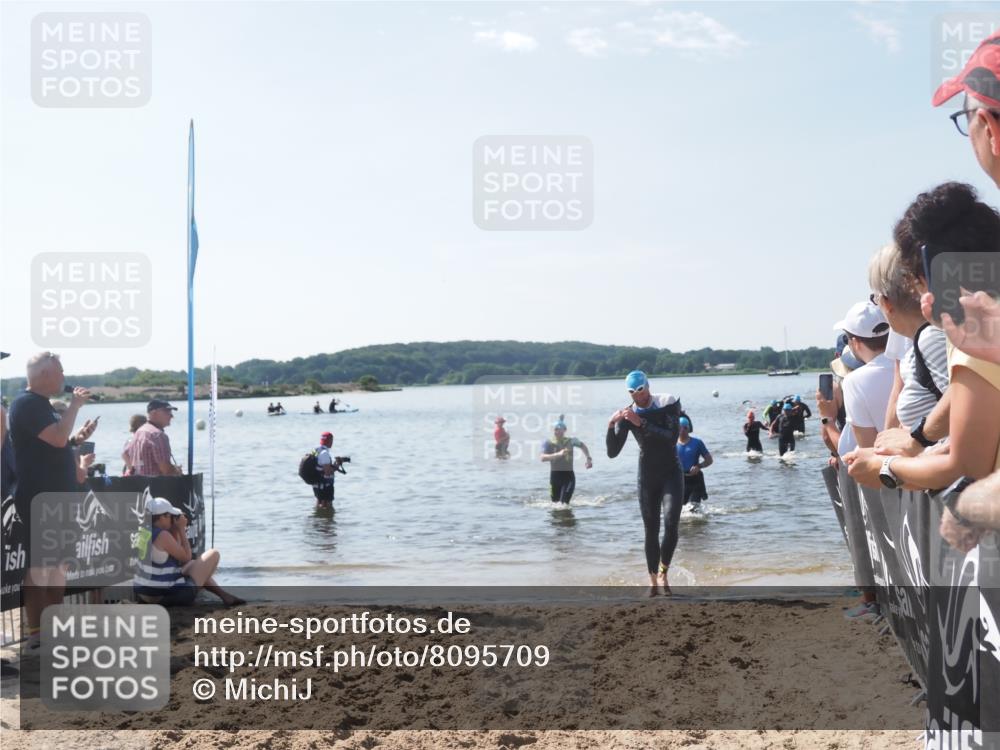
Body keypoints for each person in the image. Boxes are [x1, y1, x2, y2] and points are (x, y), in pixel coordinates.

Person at [846, 185, 1000, 495]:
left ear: (933, 273)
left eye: (916, 281)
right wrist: (917, 443)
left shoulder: (977, 330)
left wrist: (885, 467)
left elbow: (966, 465)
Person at [8, 352, 97, 645]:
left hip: (60, 498)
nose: (64, 377)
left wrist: (76, 439)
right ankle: (37, 634)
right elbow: (57, 439)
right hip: (40, 498)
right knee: (40, 568)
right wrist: (75, 405)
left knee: (59, 567)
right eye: (60, 372)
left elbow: (56, 443)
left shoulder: (42, 405)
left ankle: (54, 628)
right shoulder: (26, 403)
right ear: (45, 374)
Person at [606, 370, 685, 596]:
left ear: (648, 386)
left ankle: (663, 573)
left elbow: (671, 437)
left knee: (671, 523)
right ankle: (652, 581)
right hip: (647, 476)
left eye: (641, 390)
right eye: (632, 392)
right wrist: (611, 424)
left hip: (671, 471)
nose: (638, 395)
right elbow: (612, 452)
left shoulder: (667, 402)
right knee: (651, 529)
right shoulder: (628, 414)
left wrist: (641, 423)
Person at [133, 497, 243, 607]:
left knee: (193, 564)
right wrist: (181, 529)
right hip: (164, 597)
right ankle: (226, 597)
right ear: (162, 517)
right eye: (170, 516)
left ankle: (225, 596)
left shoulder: (142, 531)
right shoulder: (162, 535)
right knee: (213, 554)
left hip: (144, 594)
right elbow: (186, 557)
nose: (172, 519)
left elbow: (177, 558)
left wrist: (175, 530)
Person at [540, 416, 593, 504]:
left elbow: (582, 445)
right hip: (554, 477)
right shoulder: (548, 443)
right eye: (555, 429)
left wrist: (588, 458)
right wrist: (558, 454)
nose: (556, 431)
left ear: (564, 430)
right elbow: (542, 458)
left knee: (563, 504)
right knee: (555, 505)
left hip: (568, 477)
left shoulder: (571, 441)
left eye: (559, 429)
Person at [127, 400, 183, 477]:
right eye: (167, 411)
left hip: (139, 483)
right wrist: (176, 470)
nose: (171, 416)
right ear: (154, 413)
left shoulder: (138, 432)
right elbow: (166, 470)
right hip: (156, 483)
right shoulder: (157, 435)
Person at [676, 417, 712, 505]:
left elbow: (709, 460)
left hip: (695, 480)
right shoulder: (672, 444)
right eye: (680, 427)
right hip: (679, 481)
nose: (682, 430)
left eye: (685, 427)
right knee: (680, 510)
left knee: (692, 508)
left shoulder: (697, 443)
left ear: (689, 429)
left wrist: (698, 466)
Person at [313, 431, 346, 509]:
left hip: (316, 483)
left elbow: (318, 466)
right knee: (328, 506)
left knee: (319, 503)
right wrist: (337, 465)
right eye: (332, 440)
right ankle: (327, 516)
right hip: (325, 485)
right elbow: (327, 472)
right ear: (330, 441)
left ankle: (318, 516)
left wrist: (333, 465)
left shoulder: (315, 450)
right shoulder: (325, 453)